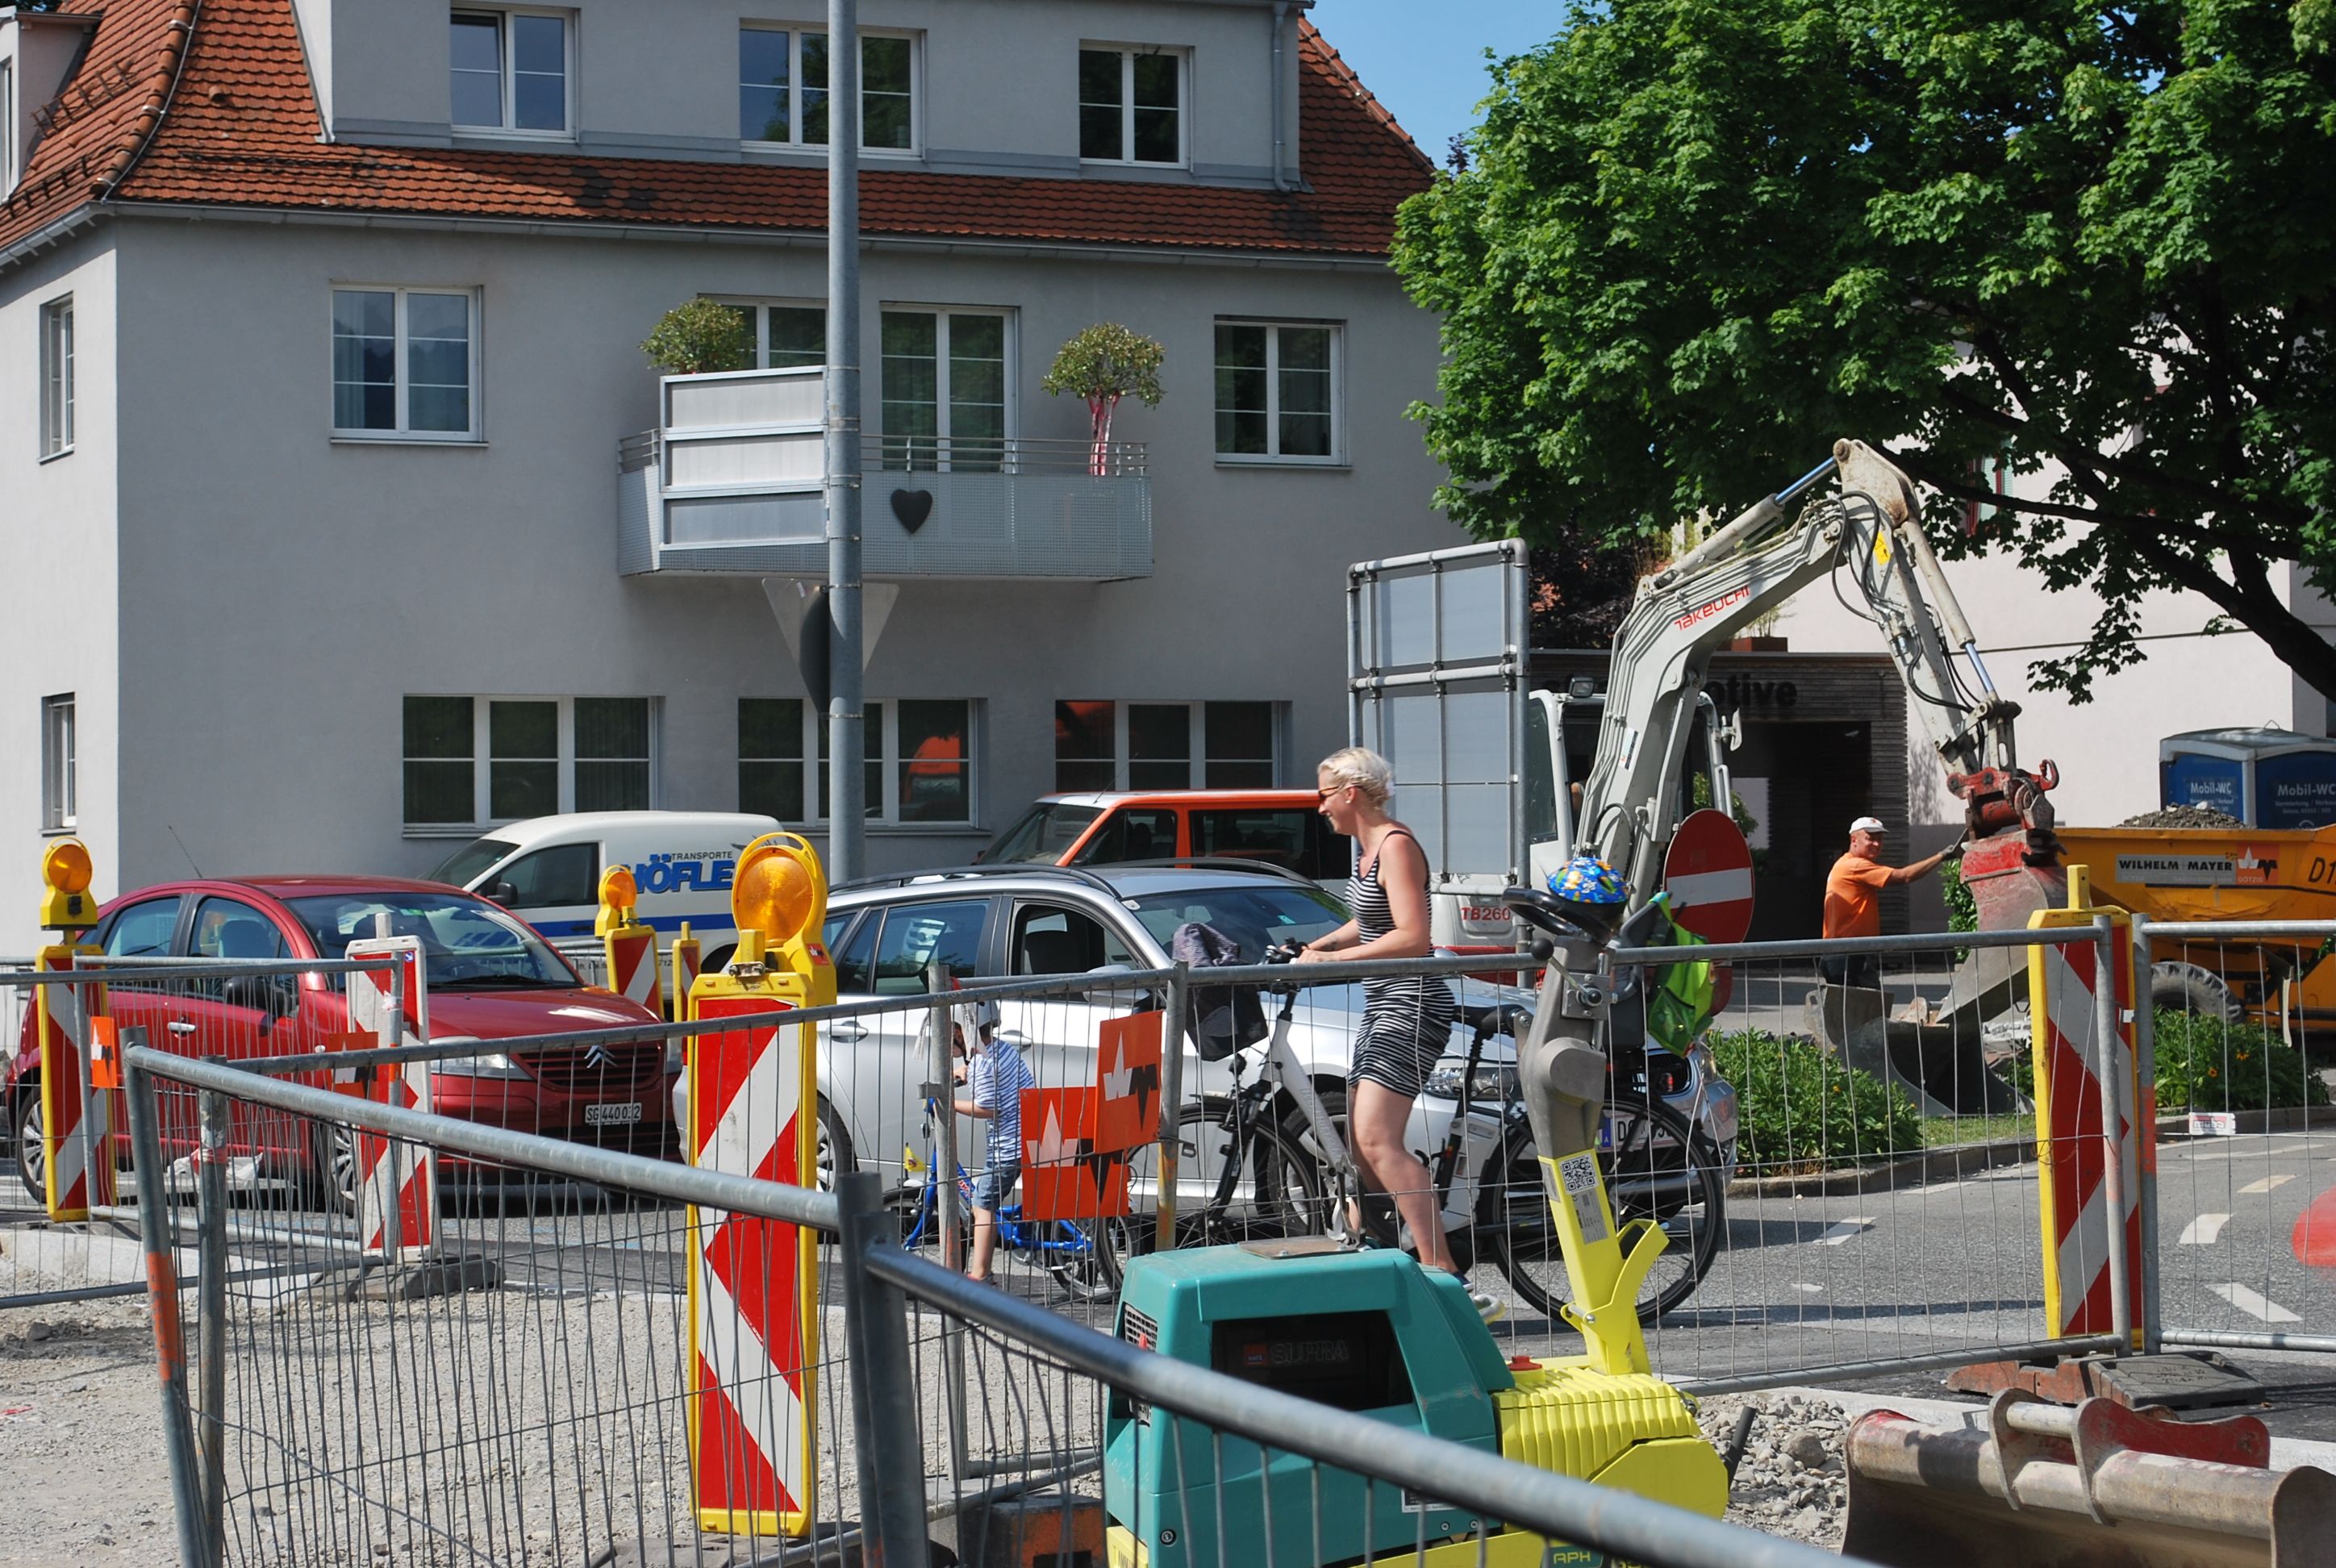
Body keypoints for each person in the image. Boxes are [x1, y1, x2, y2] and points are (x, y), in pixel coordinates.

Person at [1293, 747, 1470, 1286]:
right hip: (1384, 1002)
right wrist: (1318, 945)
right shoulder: (1367, 852)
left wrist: (1333, 962)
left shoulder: (1395, 846)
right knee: (1359, 1144)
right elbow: (1372, 921)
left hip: (1412, 1004)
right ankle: (1375, 1250)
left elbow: (1413, 936)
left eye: (1324, 795)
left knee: (1376, 1139)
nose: (1320, 807)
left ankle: (1440, 1267)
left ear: (1350, 794)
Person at [1821, 815, 1961, 987]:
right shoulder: (1856, 866)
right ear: (1854, 840)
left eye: (1880, 839)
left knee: (1855, 1003)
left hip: (1843, 953)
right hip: (1848, 955)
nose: (1877, 844)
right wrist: (1941, 856)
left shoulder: (1844, 863)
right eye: (1870, 838)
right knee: (1868, 1003)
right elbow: (1904, 876)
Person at [950, 999, 1032, 1283]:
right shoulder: (1000, 1050)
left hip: (1008, 1147)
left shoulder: (983, 1065)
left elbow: (988, 1108)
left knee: (982, 1203)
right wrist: (965, 1071)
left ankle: (980, 1274)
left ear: (960, 1032)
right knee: (987, 1198)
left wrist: (950, 1104)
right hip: (1026, 1138)